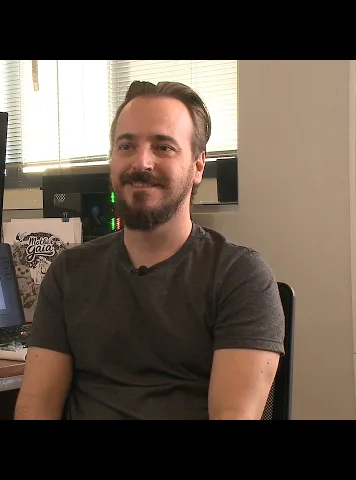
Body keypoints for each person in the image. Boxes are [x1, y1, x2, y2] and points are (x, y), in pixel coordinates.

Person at [14, 80, 285, 420]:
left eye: (163, 147)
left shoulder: (239, 276)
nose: (141, 162)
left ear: (198, 166)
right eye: (126, 146)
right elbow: (36, 407)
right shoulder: (70, 271)